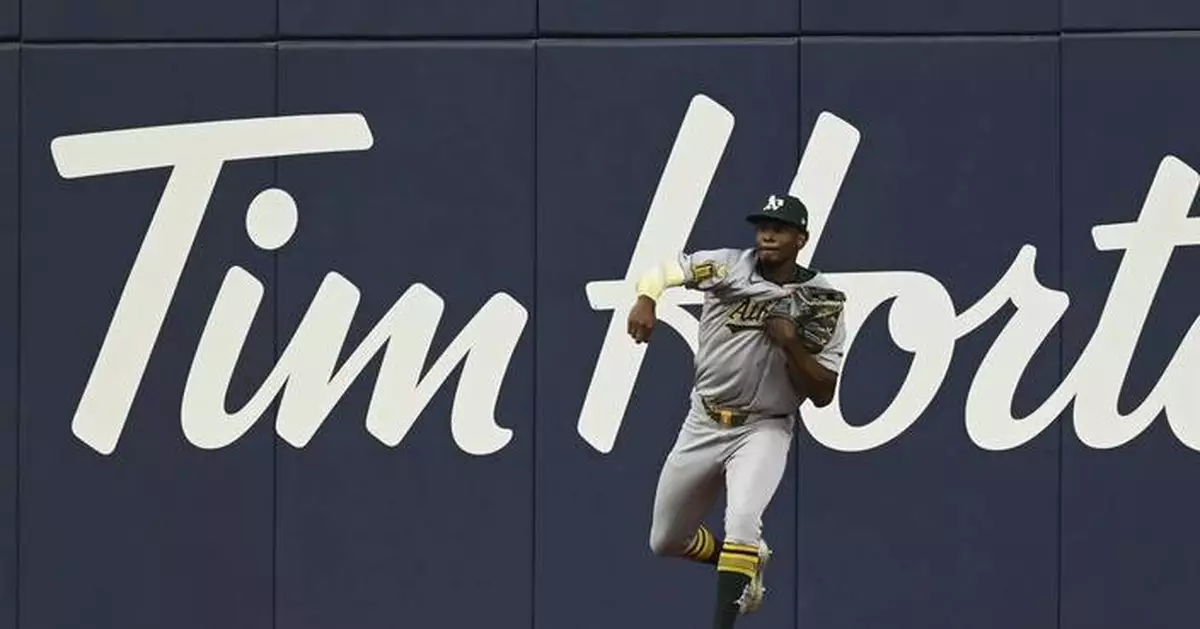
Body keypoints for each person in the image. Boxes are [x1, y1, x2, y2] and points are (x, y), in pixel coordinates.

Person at [627, 193, 847, 628]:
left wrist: (792, 344)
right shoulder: (726, 266)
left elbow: (824, 392)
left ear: (801, 239)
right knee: (665, 539)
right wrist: (647, 298)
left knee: (743, 518)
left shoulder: (821, 299)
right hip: (704, 420)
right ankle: (746, 560)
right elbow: (665, 271)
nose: (768, 235)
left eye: (780, 228)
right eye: (763, 226)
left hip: (764, 427)